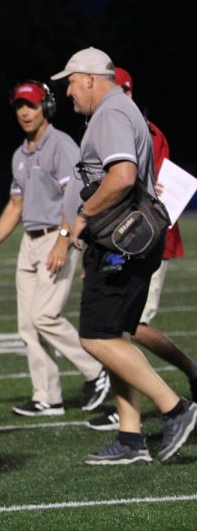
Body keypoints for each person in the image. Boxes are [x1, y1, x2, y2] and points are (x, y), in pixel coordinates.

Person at [54, 46, 197, 464]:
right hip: (125, 240)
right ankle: (131, 437)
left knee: (95, 337)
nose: (67, 93)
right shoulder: (117, 111)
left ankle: (176, 408)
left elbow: (121, 176)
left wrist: (82, 216)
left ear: (89, 79)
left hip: (122, 242)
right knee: (114, 335)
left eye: (70, 84)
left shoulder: (112, 113)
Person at [0, 80, 108, 417]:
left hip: (55, 238)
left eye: (31, 105)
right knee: (27, 326)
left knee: (44, 316)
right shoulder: (21, 153)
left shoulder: (61, 145)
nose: (24, 112)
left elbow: (75, 198)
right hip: (29, 241)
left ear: (46, 107)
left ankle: (97, 369)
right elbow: (14, 206)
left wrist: (62, 240)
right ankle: (47, 396)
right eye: (19, 106)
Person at [87, 67, 197, 430]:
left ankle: (182, 383)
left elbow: (147, 185)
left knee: (131, 326)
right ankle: (129, 423)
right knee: (117, 328)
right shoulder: (108, 124)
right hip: (121, 239)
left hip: (143, 239)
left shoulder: (143, 131)